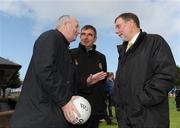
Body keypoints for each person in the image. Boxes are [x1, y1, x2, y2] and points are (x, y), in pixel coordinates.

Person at [10, 15, 81, 128]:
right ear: (66, 24)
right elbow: (45, 69)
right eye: (76, 27)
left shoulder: (65, 49)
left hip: (48, 116)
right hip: (37, 118)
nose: (78, 31)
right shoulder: (51, 36)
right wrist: (65, 101)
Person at [113, 12, 176, 128]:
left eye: (118, 26)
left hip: (149, 119)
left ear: (131, 23)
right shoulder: (123, 51)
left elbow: (166, 74)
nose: (116, 31)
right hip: (126, 120)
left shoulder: (155, 41)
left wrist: (142, 99)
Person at [70, 25, 107, 128]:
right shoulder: (70, 54)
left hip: (94, 110)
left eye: (90, 35)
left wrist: (102, 108)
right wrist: (86, 82)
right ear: (80, 36)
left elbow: (102, 83)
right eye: (83, 34)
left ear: (95, 38)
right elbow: (66, 81)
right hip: (75, 108)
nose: (86, 37)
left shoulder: (101, 57)